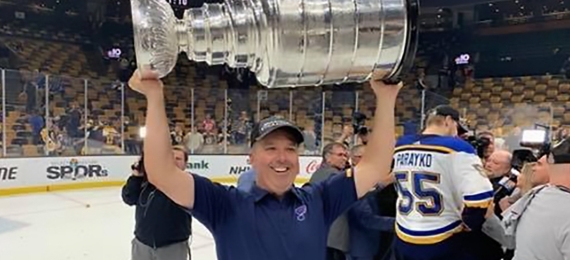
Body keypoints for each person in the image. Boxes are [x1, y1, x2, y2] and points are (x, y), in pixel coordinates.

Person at [128, 68, 401, 260]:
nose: (282, 157)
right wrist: (154, 96)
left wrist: (387, 99)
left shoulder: (320, 199)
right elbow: (162, 172)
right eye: (271, 148)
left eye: (290, 149)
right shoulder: (225, 205)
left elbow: (376, 166)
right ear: (252, 158)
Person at [392, 105, 494, 260]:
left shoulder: (401, 145)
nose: (457, 134)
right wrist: (469, 224)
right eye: (457, 128)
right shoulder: (458, 147)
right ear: (448, 121)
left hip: (404, 233)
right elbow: (479, 198)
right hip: (443, 237)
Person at [121, 145, 193, 260]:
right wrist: (136, 177)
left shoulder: (189, 184)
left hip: (173, 248)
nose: (173, 161)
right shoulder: (148, 182)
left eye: (178, 159)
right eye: (170, 158)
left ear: (185, 165)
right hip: (142, 245)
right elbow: (129, 198)